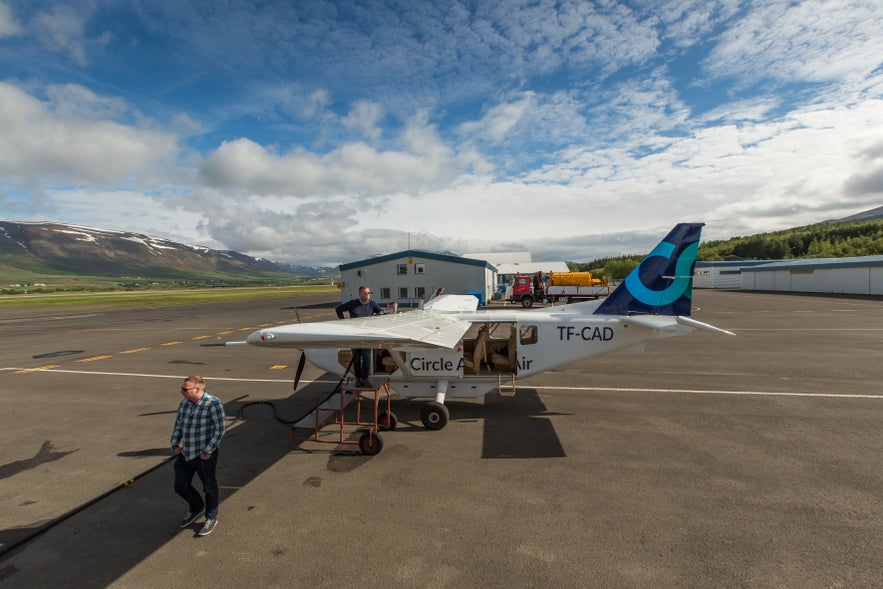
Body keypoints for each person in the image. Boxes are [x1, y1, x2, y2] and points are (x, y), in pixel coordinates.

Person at [170, 375, 225, 537]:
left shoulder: (213, 404)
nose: (182, 392)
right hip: (186, 453)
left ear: (198, 389)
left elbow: (219, 430)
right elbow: (178, 424)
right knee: (179, 486)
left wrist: (207, 451)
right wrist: (175, 443)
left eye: (185, 389)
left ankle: (211, 517)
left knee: (209, 487)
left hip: (203, 455)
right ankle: (196, 507)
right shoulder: (184, 404)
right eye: (182, 389)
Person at [335, 285, 385, 388]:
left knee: (366, 358)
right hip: (355, 337)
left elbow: (381, 312)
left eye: (369, 293)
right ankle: (358, 379)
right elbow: (338, 309)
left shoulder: (372, 304)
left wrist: (379, 316)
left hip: (366, 337)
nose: (368, 295)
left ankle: (365, 379)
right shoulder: (353, 303)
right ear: (360, 294)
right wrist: (344, 322)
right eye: (365, 293)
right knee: (356, 359)